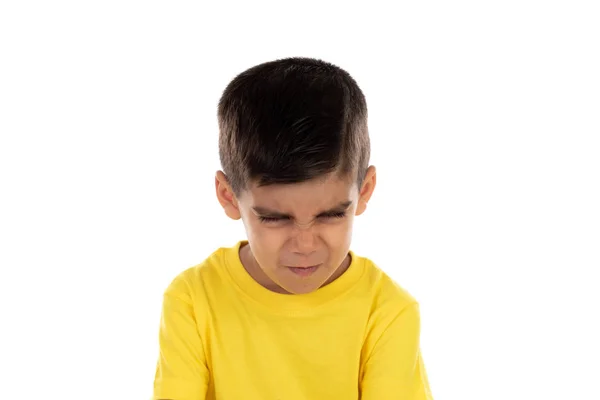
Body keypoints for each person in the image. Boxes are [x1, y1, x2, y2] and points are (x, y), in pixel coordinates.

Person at [152, 57, 433, 400]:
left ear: (364, 191)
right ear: (228, 197)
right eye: (275, 218)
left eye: (330, 215)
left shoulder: (387, 311)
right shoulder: (193, 301)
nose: (304, 244)